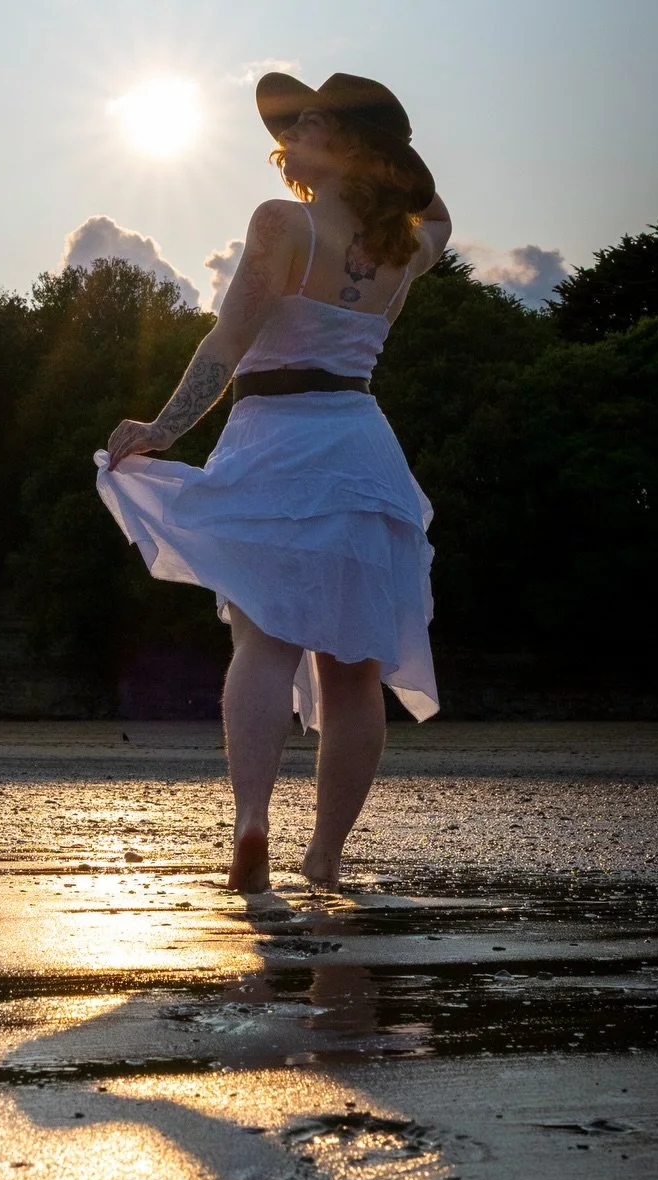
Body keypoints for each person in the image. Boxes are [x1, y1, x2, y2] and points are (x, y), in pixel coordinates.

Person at [98, 72, 452, 894]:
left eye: (314, 123)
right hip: (363, 453)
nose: (293, 134)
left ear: (351, 144)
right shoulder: (405, 248)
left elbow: (228, 339)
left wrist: (162, 427)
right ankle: (324, 861)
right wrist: (390, 164)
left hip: (275, 445)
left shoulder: (283, 221)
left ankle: (252, 823)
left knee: (263, 642)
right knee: (354, 669)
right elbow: (438, 214)